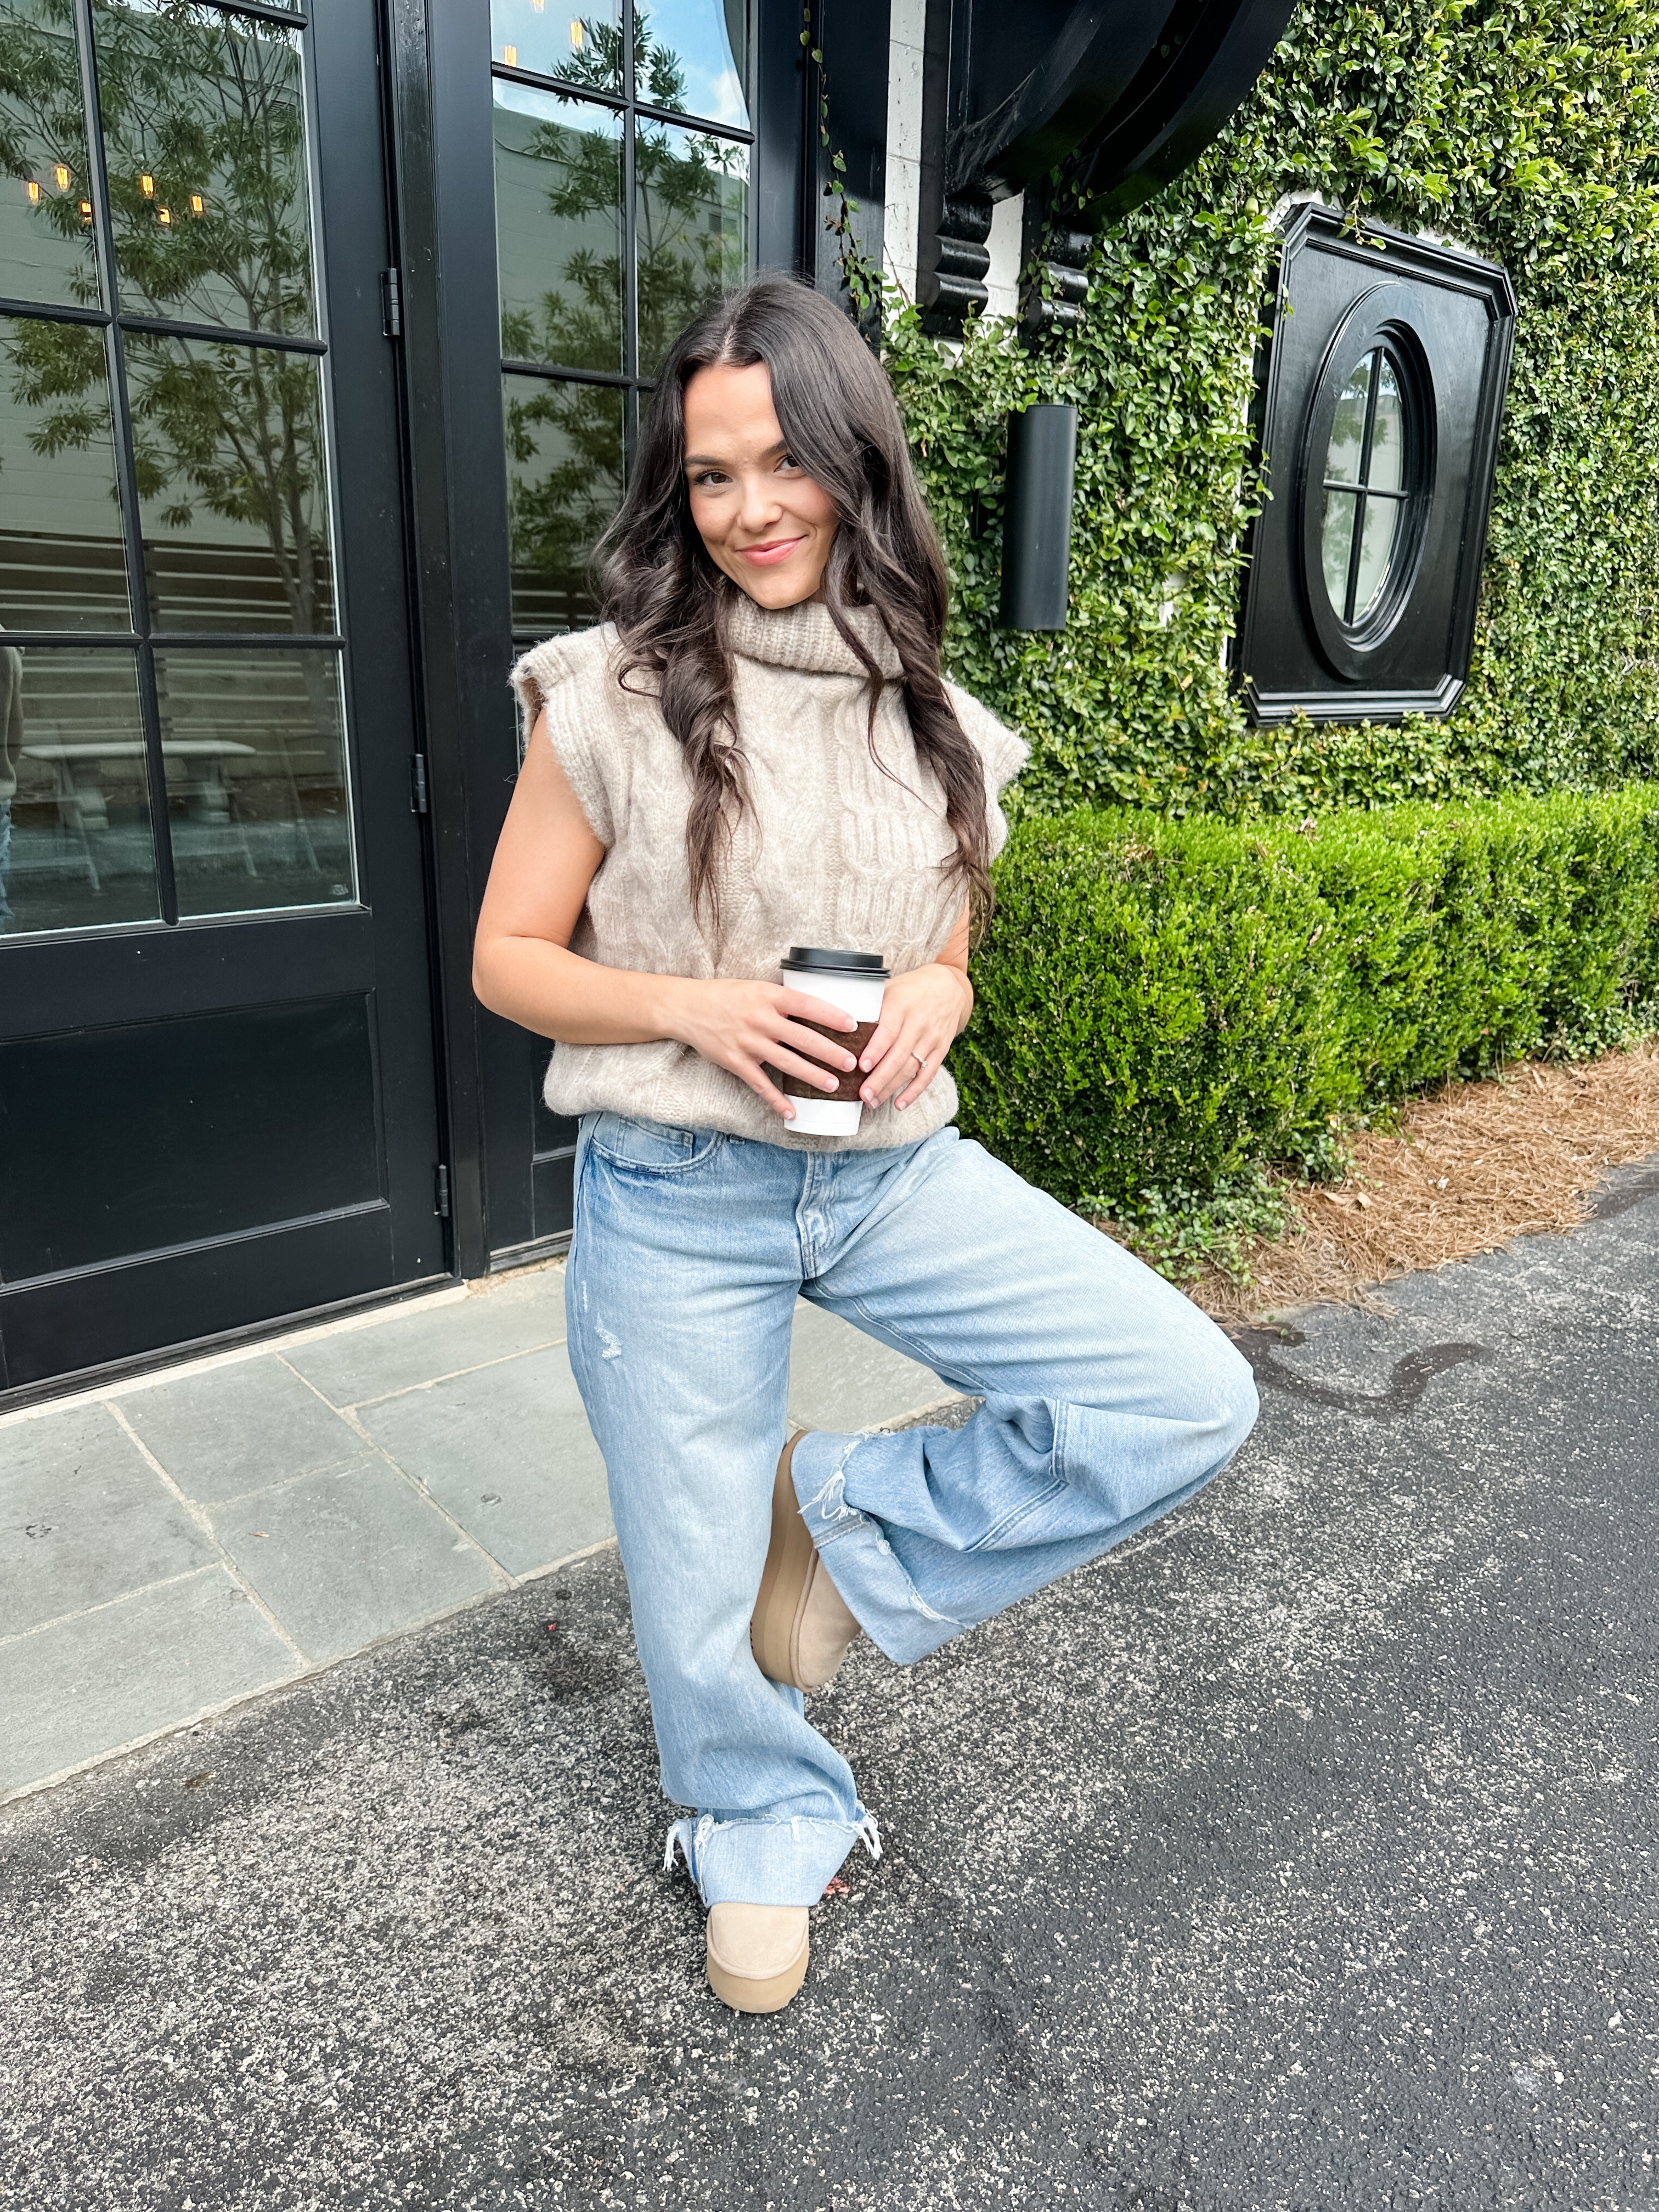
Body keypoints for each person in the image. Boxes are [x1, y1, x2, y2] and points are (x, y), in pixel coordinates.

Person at [472, 274, 1258, 2015]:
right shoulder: (605, 695)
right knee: (691, 1582)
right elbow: (508, 961)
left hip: (895, 1167)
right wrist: (695, 1008)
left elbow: (947, 939)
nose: (750, 511)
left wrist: (944, 1001)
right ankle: (752, 1813)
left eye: (782, 466)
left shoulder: (932, 706)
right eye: (708, 477)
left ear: (855, 460)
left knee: (1185, 1394)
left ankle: (836, 1519)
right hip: (681, 1191)